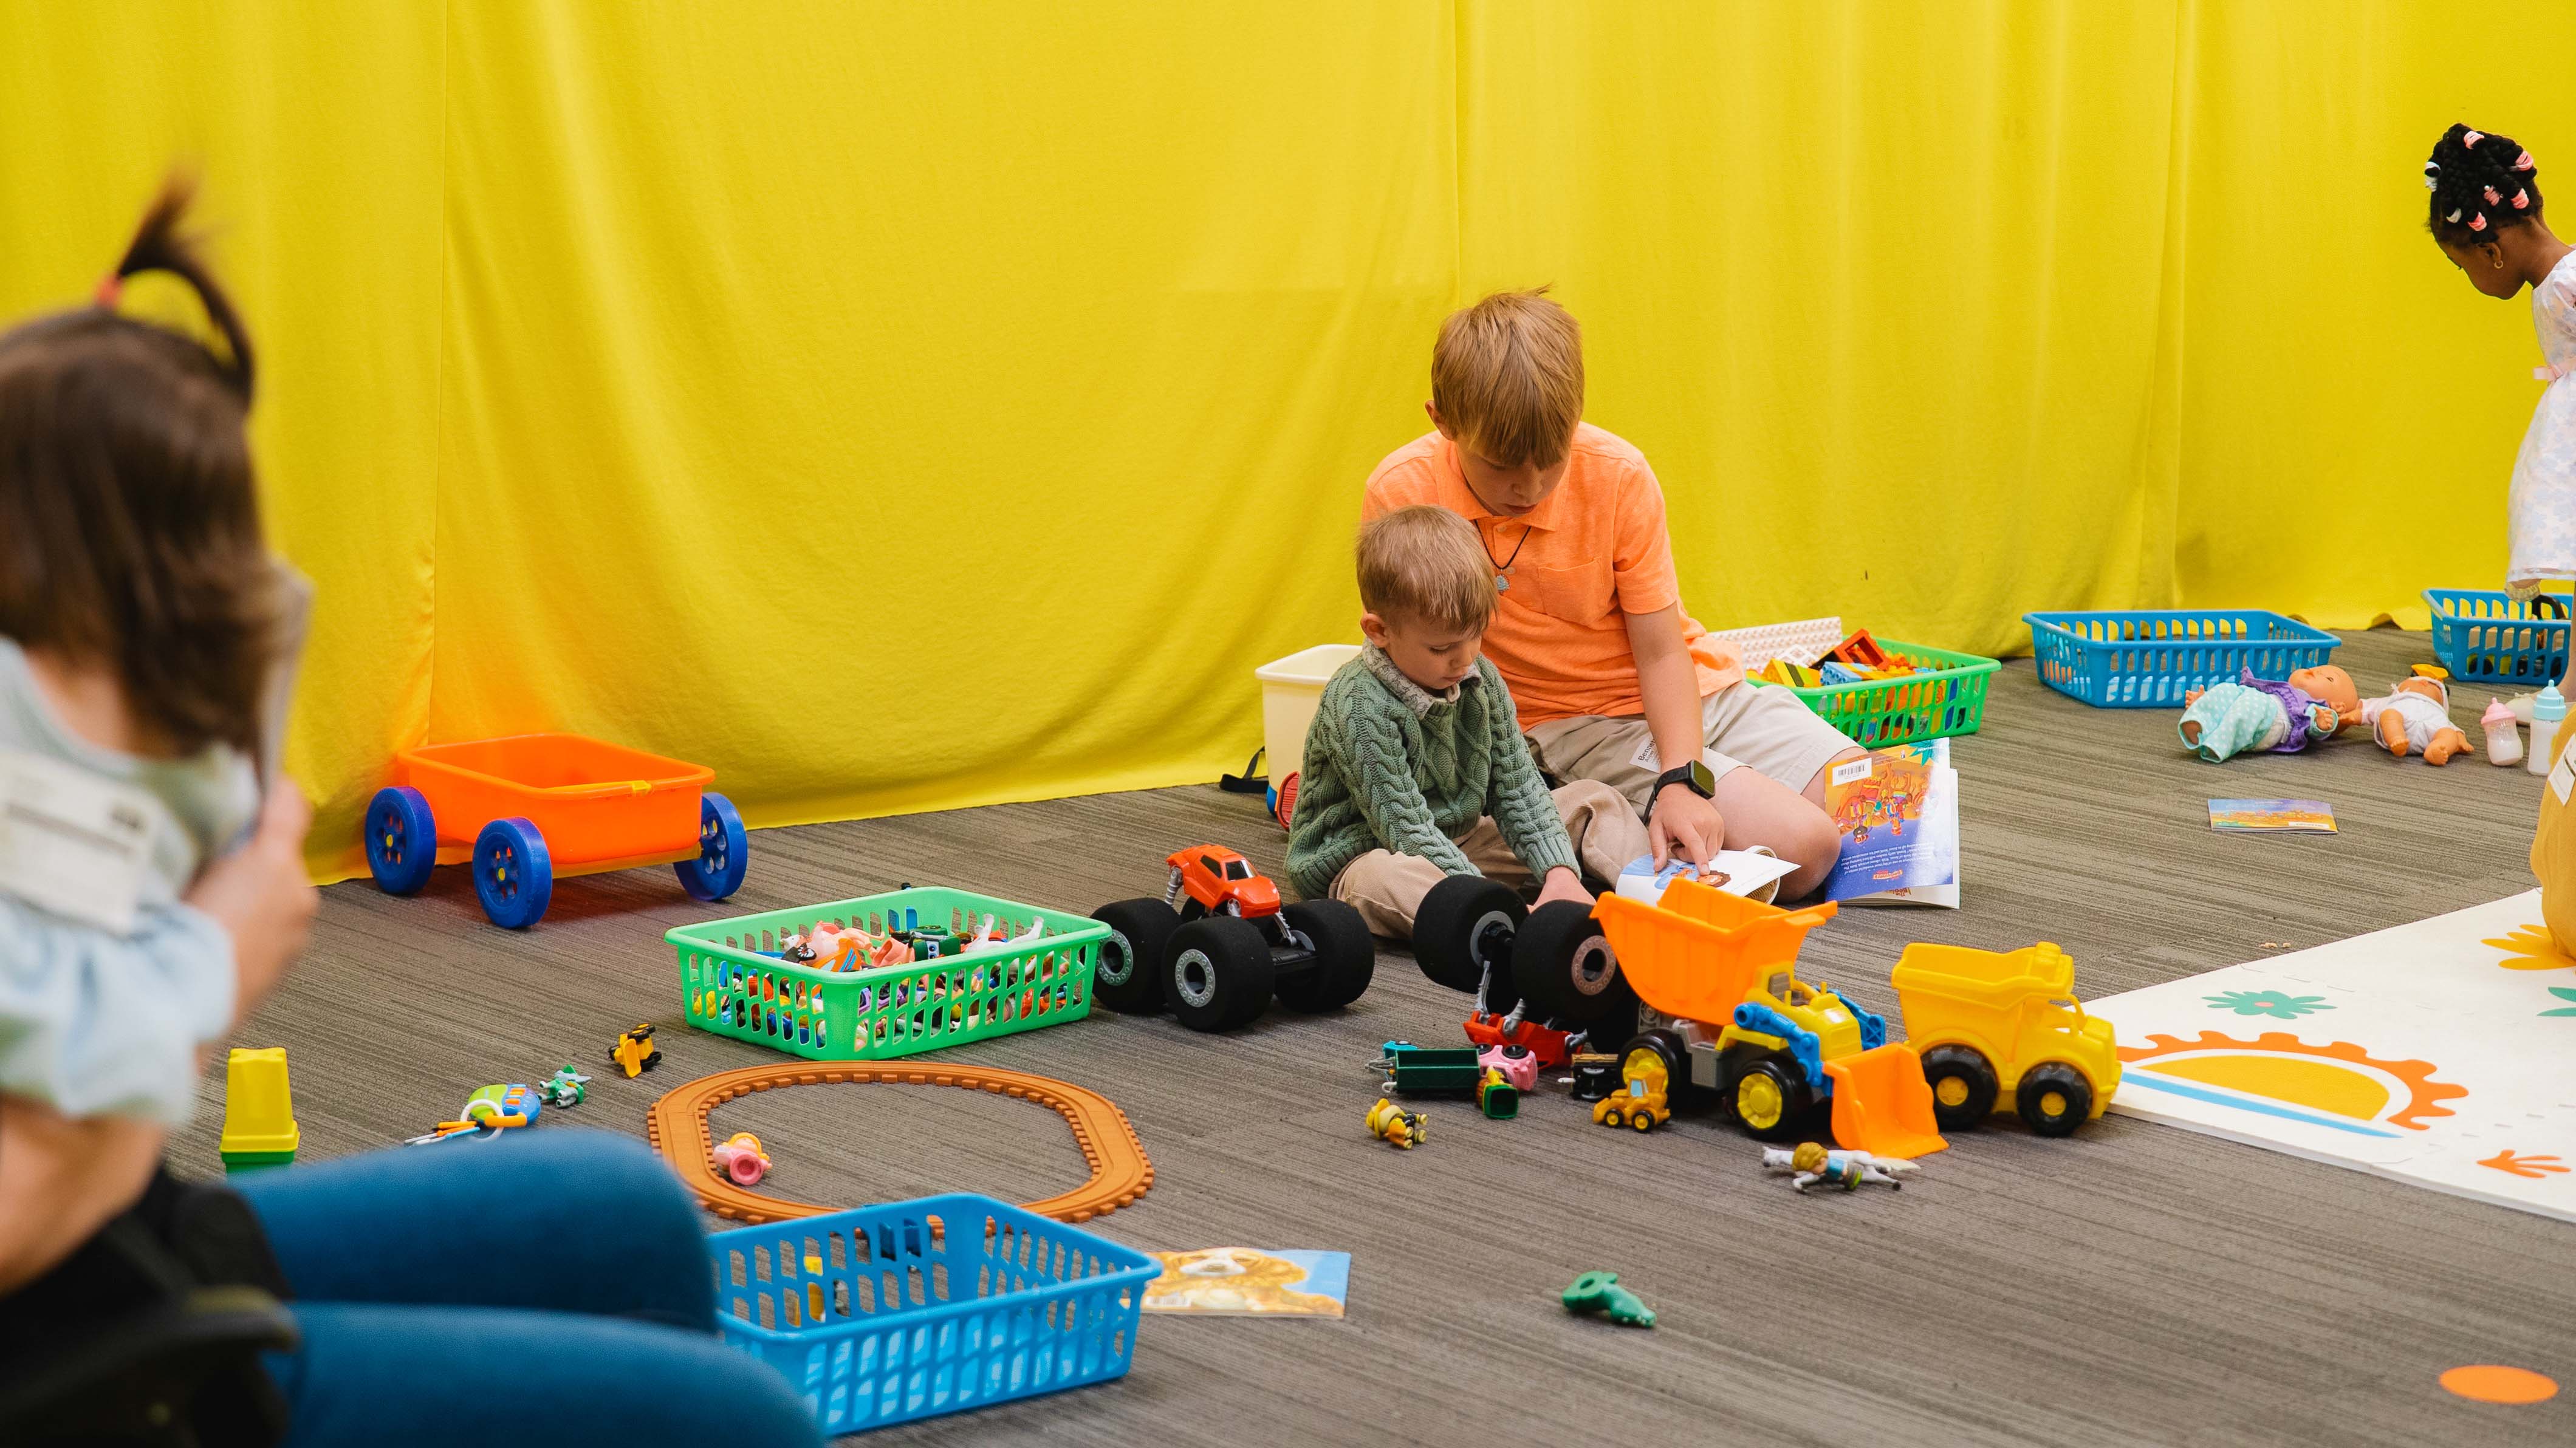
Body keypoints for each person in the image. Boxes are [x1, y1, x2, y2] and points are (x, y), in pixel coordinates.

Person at [0, 180, 818, 1448]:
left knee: (624, 1214)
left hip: (117, 1246)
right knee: (742, 1427)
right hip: (81, 1371)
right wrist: (203, 972)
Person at [1362, 290, 1865, 900]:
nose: (1530, 487)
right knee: (1809, 849)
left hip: (1702, 690)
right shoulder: (1402, 492)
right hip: (1577, 724)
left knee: (1881, 806)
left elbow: (1660, 652)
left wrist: (1683, 777)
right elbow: (1409, 664)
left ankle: (1693, 809)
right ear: (1442, 420)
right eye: (1501, 467)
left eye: (1551, 462)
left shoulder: (1619, 473)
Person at [1284, 505, 1648, 935]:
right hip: (1371, 854)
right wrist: (1492, 900)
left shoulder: (1481, 678)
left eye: (1475, 635)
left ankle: (1652, 902)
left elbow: (1519, 787)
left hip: (1465, 838)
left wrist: (1559, 874)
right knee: (1382, 881)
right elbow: (1406, 830)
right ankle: (1507, 926)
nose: (1463, 658)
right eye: (1441, 649)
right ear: (1379, 631)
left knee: (1594, 799)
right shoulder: (1359, 704)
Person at [2424, 123, 2576, 638]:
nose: (2470, 279)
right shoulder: (2557, 283)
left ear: (2491, 252)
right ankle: (2573, 689)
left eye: (2459, 266)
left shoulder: (2566, 283)